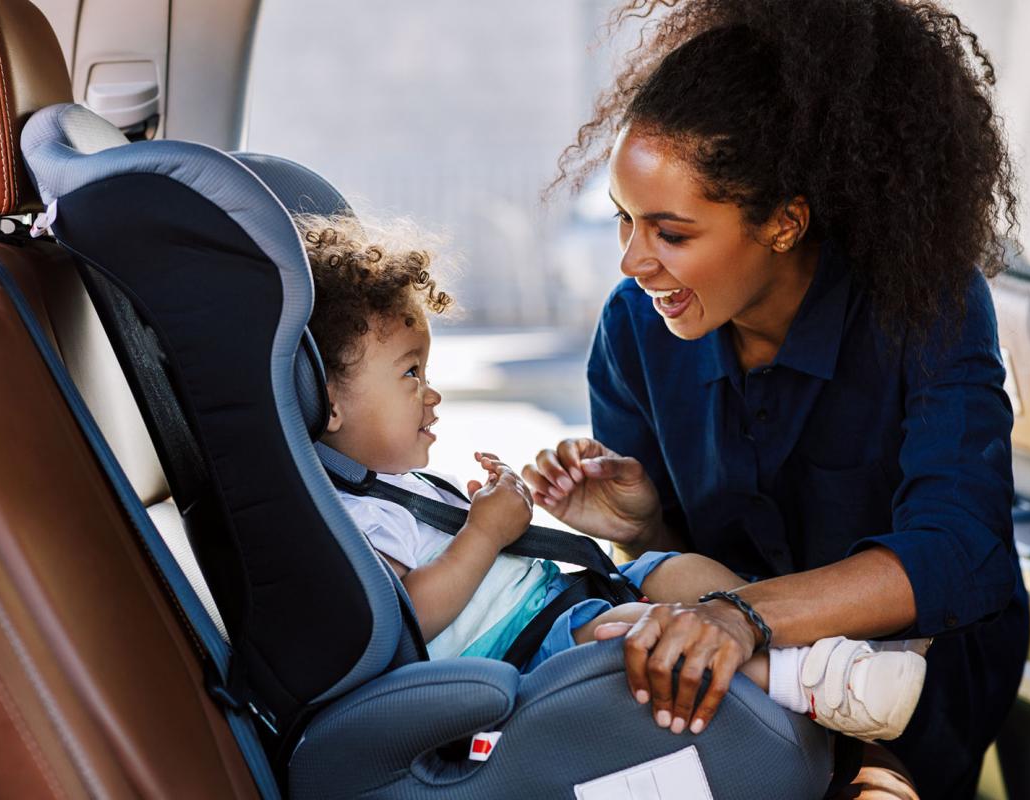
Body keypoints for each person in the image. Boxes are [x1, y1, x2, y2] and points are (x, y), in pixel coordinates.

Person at [523, 0, 1029, 797]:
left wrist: (742, 614)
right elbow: (677, 567)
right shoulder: (635, 330)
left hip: (911, 685)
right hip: (741, 686)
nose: (631, 262)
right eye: (624, 221)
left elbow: (961, 552)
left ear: (786, 222)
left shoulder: (923, 302)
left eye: (671, 233)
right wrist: (642, 526)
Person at [301, 213, 927, 742]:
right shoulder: (346, 517)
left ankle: (818, 649)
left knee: (673, 570)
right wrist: (484, 535)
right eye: (411, 374)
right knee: (636, 633)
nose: (432, 394)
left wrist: (493, 515)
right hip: (522, 653)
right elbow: (406, 618)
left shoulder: (399, 489)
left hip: (560, 604)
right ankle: (813, 686)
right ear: (327, 401)